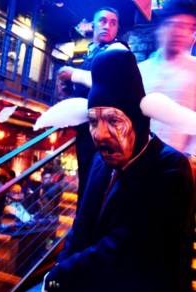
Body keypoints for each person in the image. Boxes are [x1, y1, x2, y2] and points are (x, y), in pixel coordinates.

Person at [40, 48, 195, 292]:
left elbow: (128, 248)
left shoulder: (171, 169)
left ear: (137, 118)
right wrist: (59, 270)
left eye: (113, 119)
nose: (101, 134)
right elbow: (81, 228)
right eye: (93, 121)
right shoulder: (100, 163)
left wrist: (61, 276)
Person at [138, 0, 196, 187]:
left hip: (180, 165)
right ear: (162, 27)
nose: (181, 33)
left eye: (189, 27)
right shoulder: (142, 69)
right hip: (142, 163)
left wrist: (192, 156)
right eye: (176, 25)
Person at [56, 7, 128, 203]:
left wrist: (73, 74)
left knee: (97, 188)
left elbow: (108, 82)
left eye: (113, 23)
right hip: (87, 129)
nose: (107, 26)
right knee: (87, 184)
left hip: (106, 130)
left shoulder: (118, 50)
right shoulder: (90, 54)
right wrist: (67, 90)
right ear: (93, 25)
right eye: (103, 21)